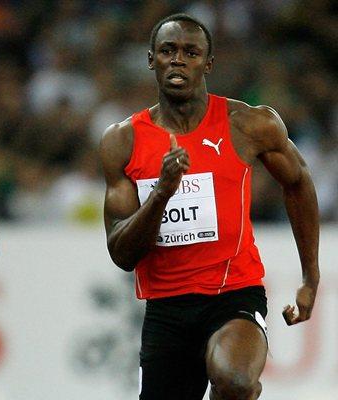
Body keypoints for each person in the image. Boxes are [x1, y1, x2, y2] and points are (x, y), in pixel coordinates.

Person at [99, 14, 319, 400]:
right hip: (166, 307)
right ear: (151, 59)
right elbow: (121, 253)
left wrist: (310, 277)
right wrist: (161, 193)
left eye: (191, 52)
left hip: (234, 293)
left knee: (234, 381)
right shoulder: (123, 141)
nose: (178, 60)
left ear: (208, 63)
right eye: (168, 51)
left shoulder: (249, 124)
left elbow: (298, 182)